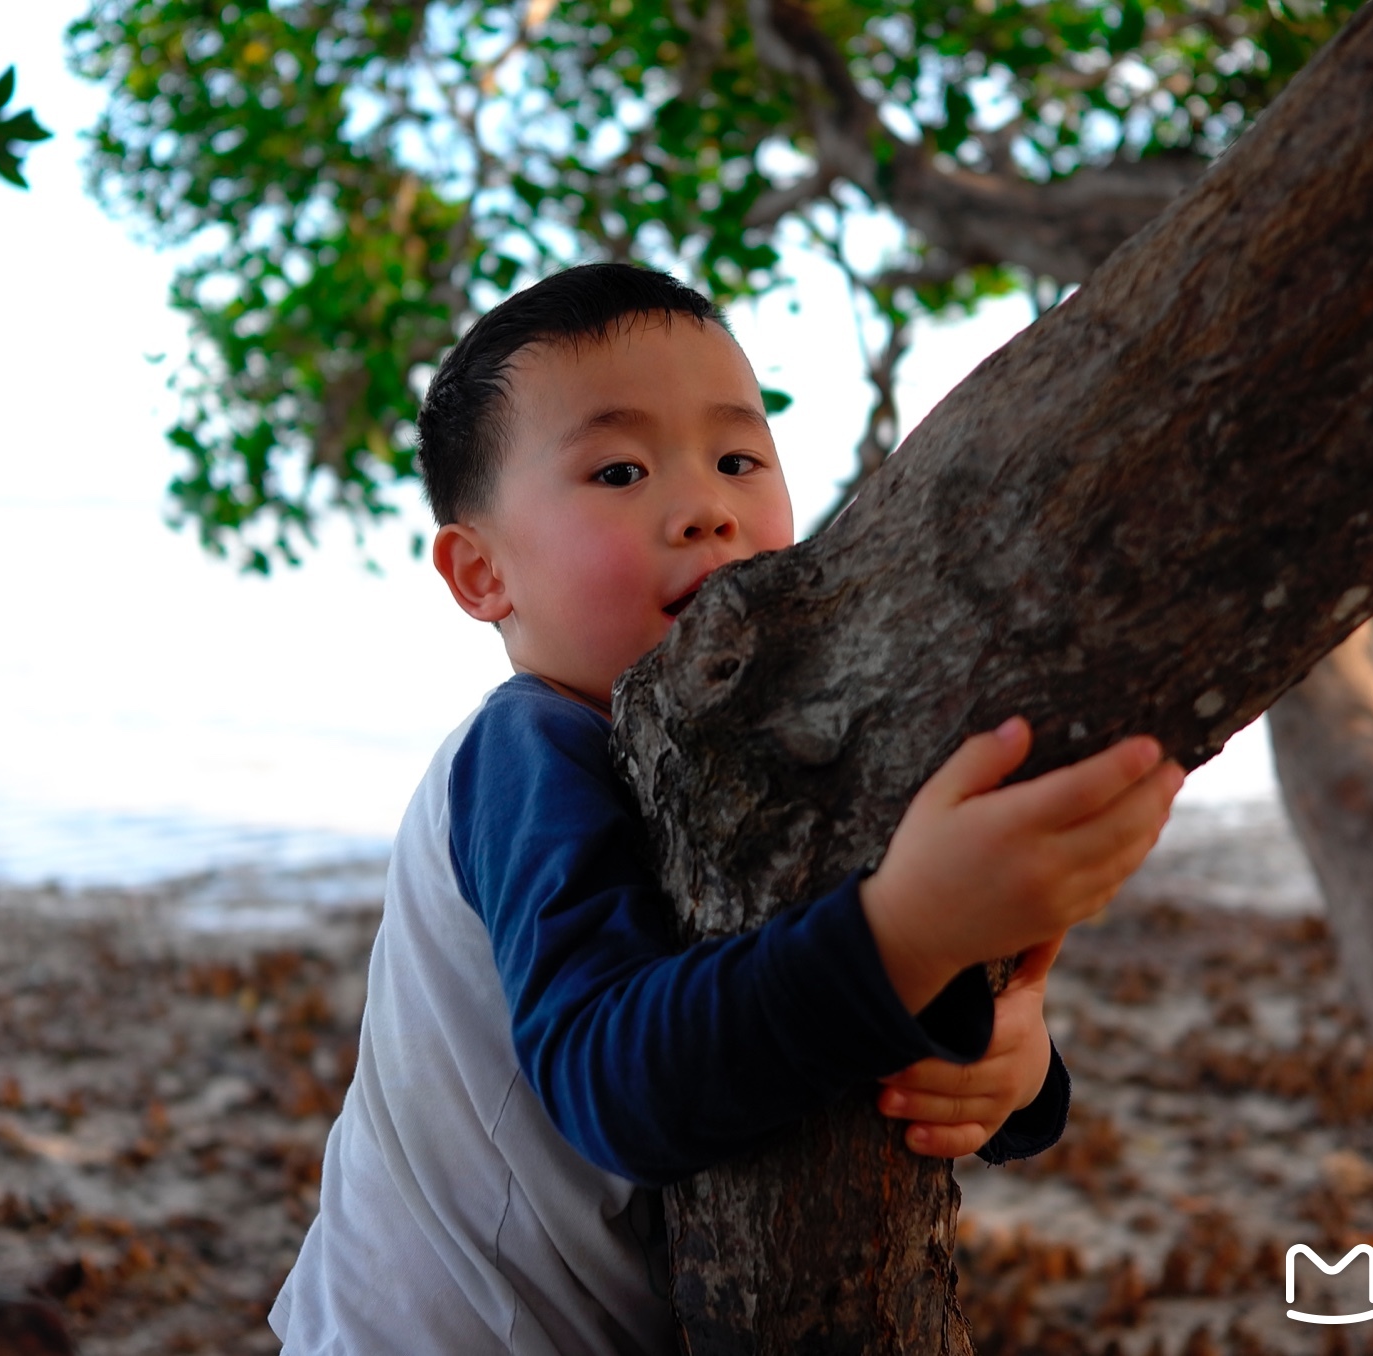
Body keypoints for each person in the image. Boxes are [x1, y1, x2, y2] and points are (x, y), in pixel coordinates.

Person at [268, 263, 1183, 1355]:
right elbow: (615, 1081)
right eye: (616, 470)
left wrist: (1011, 1065)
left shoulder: (746, 756)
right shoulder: (528, 751)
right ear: (480, 576)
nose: (704, 507)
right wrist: (910, 930)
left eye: (738, 458)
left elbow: (826, 1006)